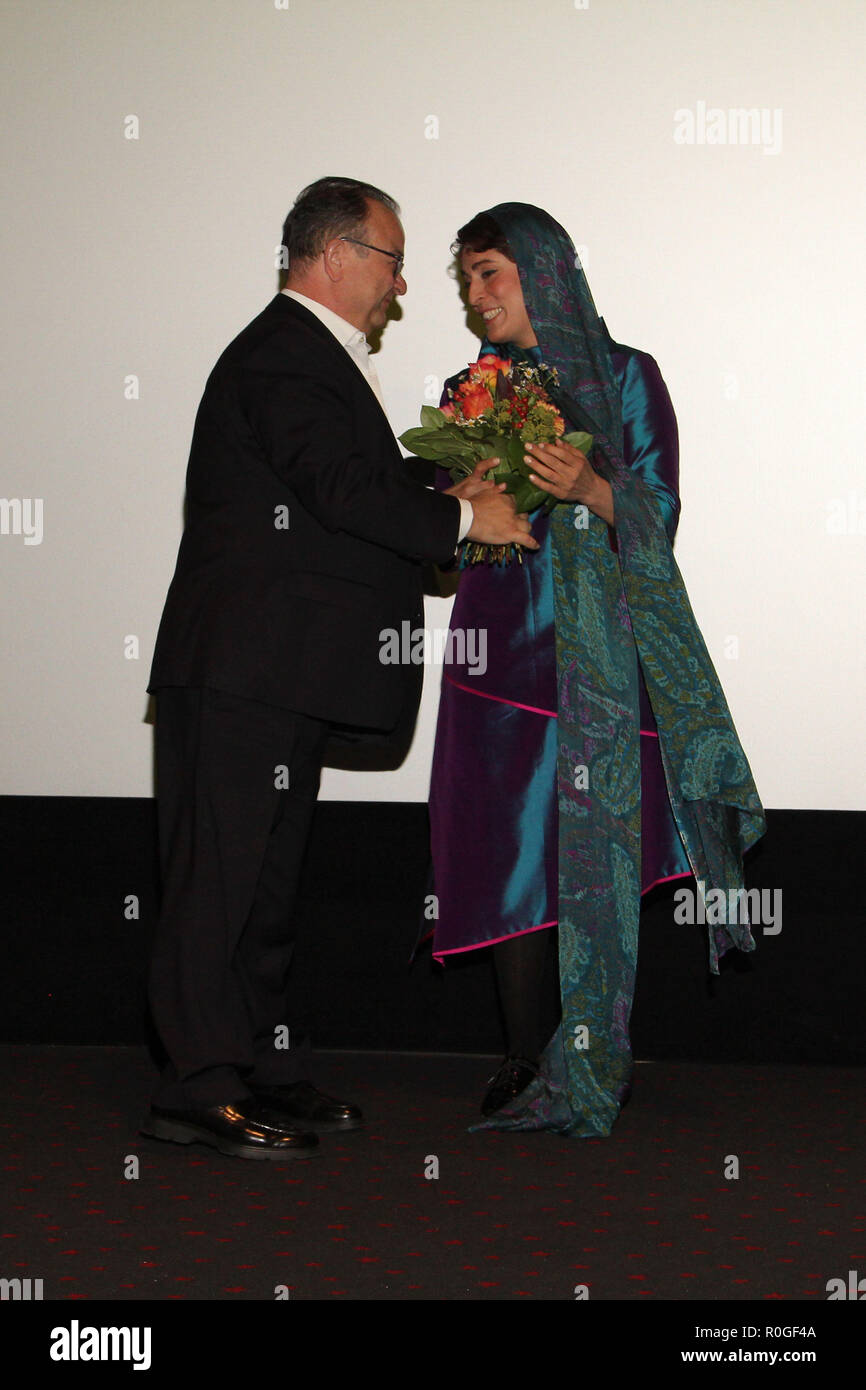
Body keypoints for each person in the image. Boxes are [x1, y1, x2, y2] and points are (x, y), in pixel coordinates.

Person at [141, 177, 533, 1161]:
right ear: (333, 256)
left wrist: (449, 483)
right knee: (217, 885)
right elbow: (337, 486)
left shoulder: (310, 359)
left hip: (280, 674)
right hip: (242, 671)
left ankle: (262, 1065)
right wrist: (459, 518)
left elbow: (357, 480)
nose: (401, 286)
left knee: (265, 889)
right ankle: (198, 1085)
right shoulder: (282, 354)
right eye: (393, 261)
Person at [426, 203, 766, 1138]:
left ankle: (592, 1050)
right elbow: (446, 554)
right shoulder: (470, 391)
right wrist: (459, 506)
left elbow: (659, 513)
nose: (474, 295)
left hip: (598, 660)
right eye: (466, 279)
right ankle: (523, 1055)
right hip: (495, 663)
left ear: (541, 270)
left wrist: (589, 489)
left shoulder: (627, 378)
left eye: (488, 273)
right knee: (508, 857)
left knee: (588, 853)